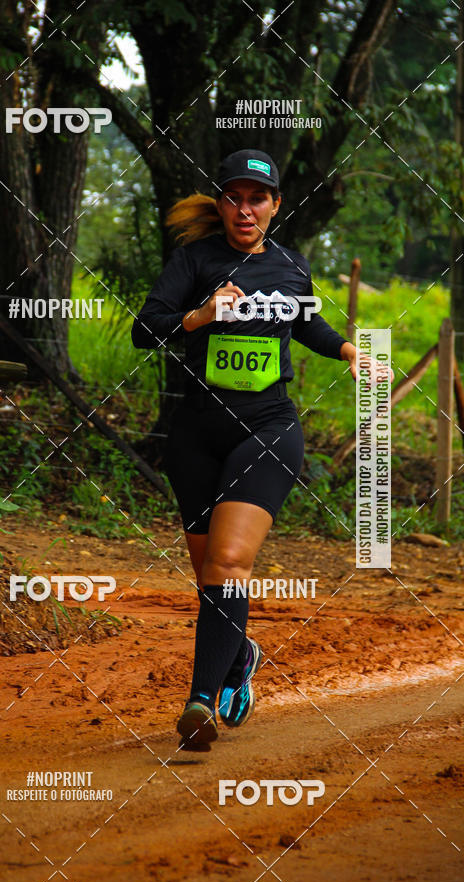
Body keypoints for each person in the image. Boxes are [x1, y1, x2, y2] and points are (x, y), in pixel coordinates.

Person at [131, 149, 384, 751]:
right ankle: (240, 654)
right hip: (195, 436)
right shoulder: (194, 260)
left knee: (229, 563)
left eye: (258, 198)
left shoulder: (292, 268)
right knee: (212, 580)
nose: (246, 209)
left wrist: (350, 353)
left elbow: (309, 325)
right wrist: (198, 316)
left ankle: (199, 703)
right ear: (220, 204)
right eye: (234, 197)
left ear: (275, 204)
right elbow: (146, 329)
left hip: (267, 428)